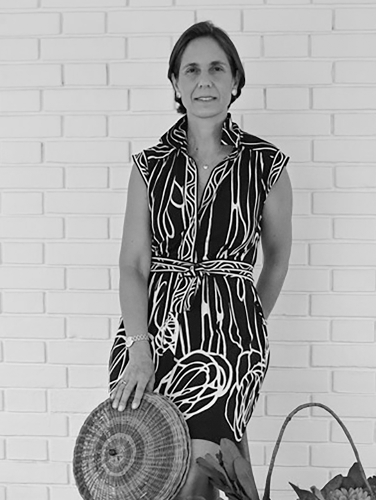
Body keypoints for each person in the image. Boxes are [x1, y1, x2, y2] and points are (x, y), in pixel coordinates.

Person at [108, 21, 292, 500]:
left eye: (216, 68)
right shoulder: (149, 167)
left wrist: (249, 321)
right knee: (150, 476)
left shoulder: (266, 165)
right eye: (191, 69)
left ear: (235, 80)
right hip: (151, 337)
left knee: (198, 476)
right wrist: (139, 349)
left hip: (229, 346)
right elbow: (132, 265)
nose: (204, 80)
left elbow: (276, 258)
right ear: (175, 82)